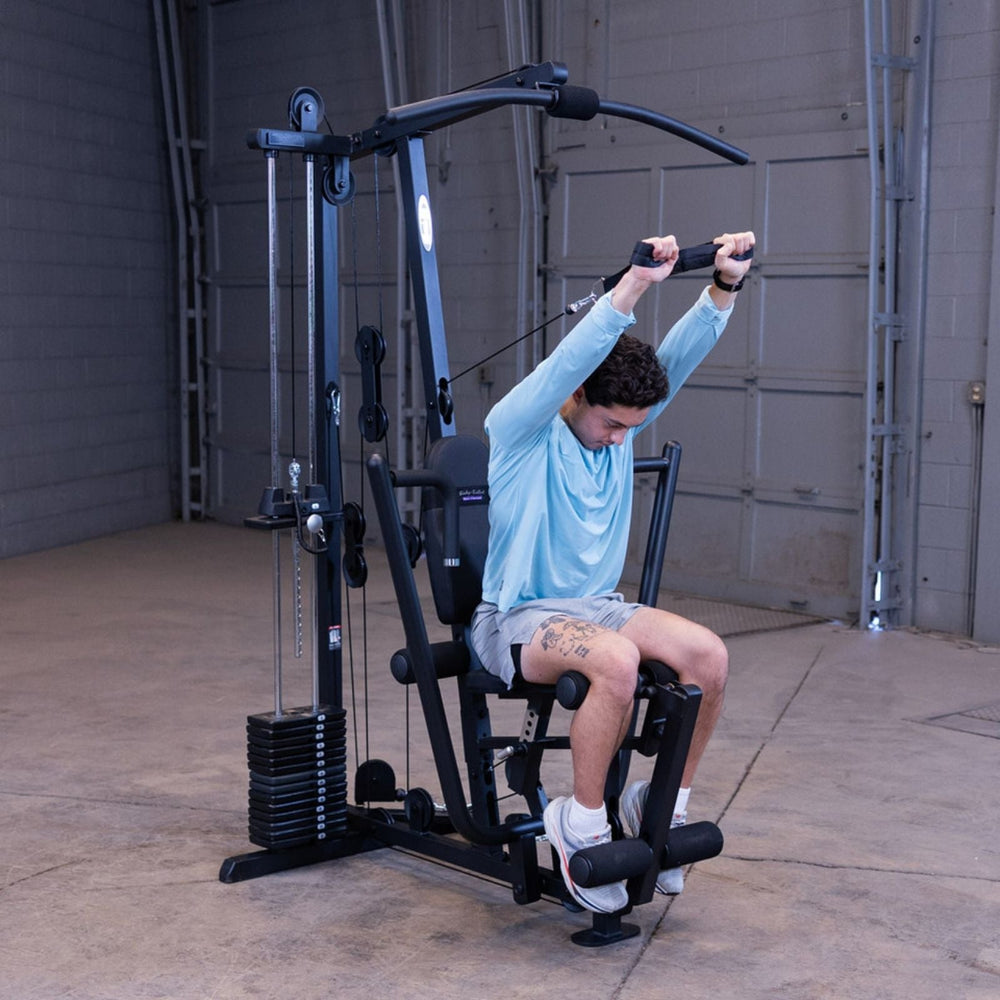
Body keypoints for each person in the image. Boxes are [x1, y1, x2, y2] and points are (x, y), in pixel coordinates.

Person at [469, 231, 755, 914]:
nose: (623, 438)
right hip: (517, 617)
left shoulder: (618, 425)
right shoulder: (520, 430)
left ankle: (661, 804)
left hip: (597, 605)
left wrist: (724, 285)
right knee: (619, 663)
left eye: (634, 426)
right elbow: (572, 357)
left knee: (709, 657)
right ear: (573, 397)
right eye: (611, 424)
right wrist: (632, 286)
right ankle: (584, 822)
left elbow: (679, 356)